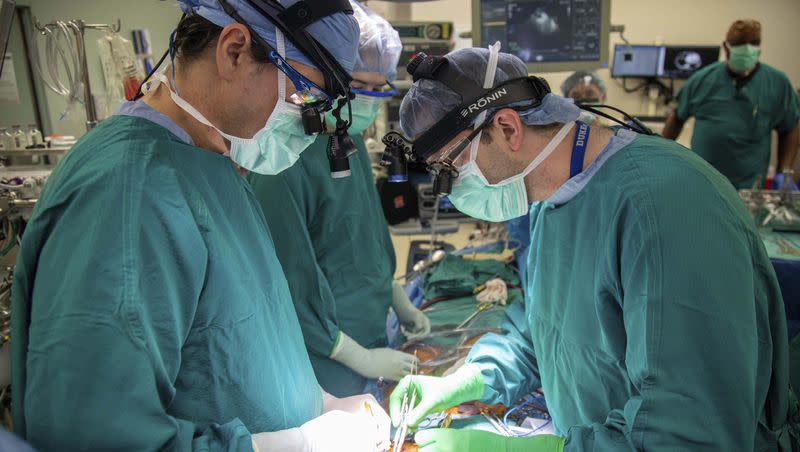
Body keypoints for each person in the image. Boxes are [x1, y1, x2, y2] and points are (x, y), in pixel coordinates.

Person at [11, 1, 392, 450]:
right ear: (234, 50)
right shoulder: (128, 193)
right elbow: (93, 433)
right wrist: (295, 444)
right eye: (306, 97)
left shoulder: (212, 167)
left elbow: (244, 341)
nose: (312, 126)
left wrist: (322, 405)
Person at [388, 46, 800, 451]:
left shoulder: (664, 212)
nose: (451, 188)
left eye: (451, 167)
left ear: (508, 128)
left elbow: (687, 431)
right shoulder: (552, 199)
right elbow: (546, 328)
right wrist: (473, 377)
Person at [248, 1, 430, 398]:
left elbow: (365, 236)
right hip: (326, 360)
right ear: (324, 78)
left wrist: (396, 298)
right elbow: (291, 286)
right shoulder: (282, 161)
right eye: (361, 88)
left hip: (369, 329)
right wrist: (359, 358)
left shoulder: (346, 141)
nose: (370, 101)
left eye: (380, 89)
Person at [663, 19, 800, 190]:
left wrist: (784, 172)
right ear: (726, 47)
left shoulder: (777, 83)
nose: (747, 49)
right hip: (702, 182)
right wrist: (659, 155)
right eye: (740, 44)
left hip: (748, 189)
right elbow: (676, 117)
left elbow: (790, 127)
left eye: (754, 43)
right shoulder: (703, 80)